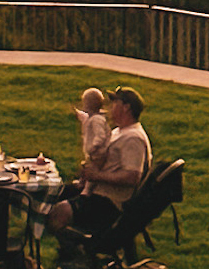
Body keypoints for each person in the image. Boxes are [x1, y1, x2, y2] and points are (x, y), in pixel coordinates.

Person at [49, 87, 152, 235]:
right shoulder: (118, 131)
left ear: (126, 107)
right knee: (52, 195)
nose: (109, 107)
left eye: (114, 103)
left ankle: (75, 250)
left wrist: (96, 176)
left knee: (59, 212)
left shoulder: (133, 138)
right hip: (97, 192)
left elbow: (132, 177)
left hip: (111, 203)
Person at [74, 86, 110, 167]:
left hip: (97, 156)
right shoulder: (92, 117)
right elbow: (84, 117)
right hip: (93, 155)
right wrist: (76, 112)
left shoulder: (97, 119)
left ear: (89, 104)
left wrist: (93, 148)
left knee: (90, 169)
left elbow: (101, 136)